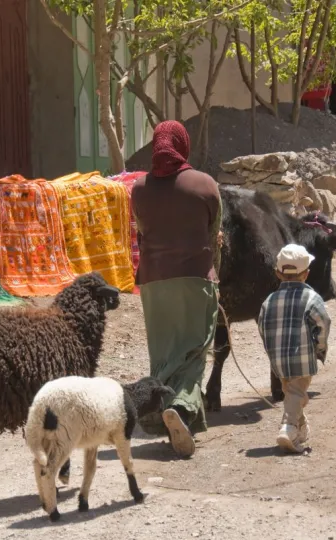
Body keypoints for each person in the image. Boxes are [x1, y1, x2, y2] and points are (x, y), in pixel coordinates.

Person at [130, 120, 222, 458]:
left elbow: (141, 231)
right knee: (195, 349)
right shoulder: (205, 184)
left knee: (165, 352)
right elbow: (215, 234)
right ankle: (180, 409)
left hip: (153, 284)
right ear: (182, 145)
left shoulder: (138, 189)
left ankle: (165, 410)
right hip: (195, 279)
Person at [258, 244, 331, 454]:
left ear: (278, 274)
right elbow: (323, 323)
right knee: (297, 391)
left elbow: (262, 328)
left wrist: (272, 354)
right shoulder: (312, 298)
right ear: (306, 274)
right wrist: (320, 347)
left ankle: (300, 428)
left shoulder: (269, 301)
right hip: (302, 357)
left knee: (293, 392)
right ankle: (288, 427)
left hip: (278, 360)